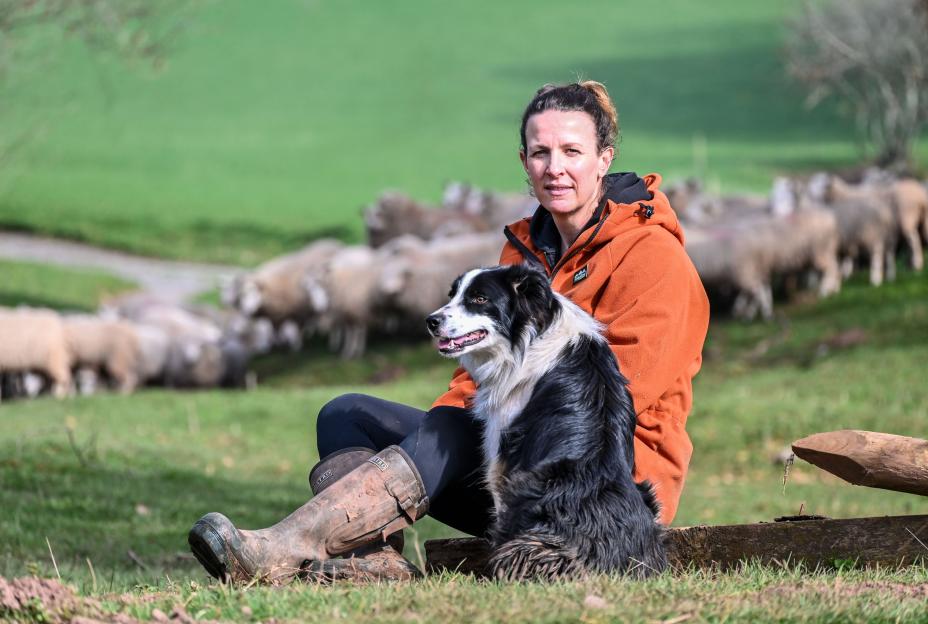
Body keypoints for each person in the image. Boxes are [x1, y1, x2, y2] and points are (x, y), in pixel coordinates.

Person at [188, 80, 710, 584]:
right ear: (524, 161)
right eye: (539, 153)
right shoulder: (524, 251)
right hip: (506, 465)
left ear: (605, 158)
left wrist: (450, 438)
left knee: (445, 433)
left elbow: (614, 396)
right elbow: (479, 377)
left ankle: (283, 549)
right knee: (346, 414)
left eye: (572, 152)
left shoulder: (654, 257)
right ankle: (367, 563)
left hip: (594, 493)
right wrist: (434, 442)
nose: (555, 169)